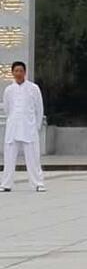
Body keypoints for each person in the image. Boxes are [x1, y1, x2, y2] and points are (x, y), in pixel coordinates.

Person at [1, 61, 45, 192]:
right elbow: (7, 109)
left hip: (29, 127)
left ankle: (38, 183)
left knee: (33, 157)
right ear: (12, 73)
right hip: (13, 127)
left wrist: (36, 126)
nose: (18, 73)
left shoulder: (33, 88)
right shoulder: (9, 90)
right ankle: (6, 184)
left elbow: (39, 108)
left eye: (21, 71)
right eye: (16, 71)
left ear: (25, 72)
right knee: (9, 157)